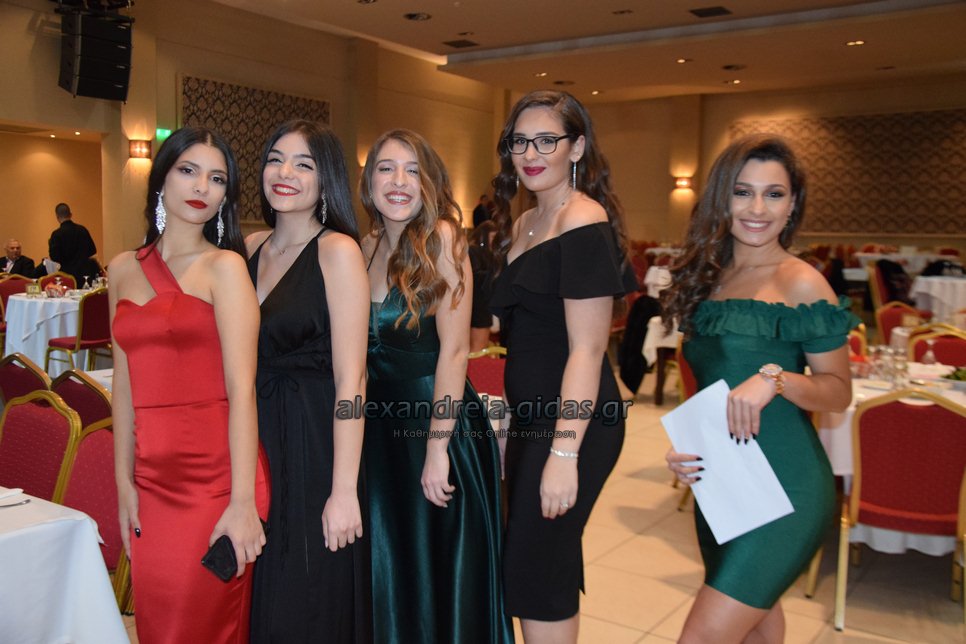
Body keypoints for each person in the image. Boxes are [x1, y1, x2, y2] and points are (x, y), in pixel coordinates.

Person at [662, 134, 855, 644]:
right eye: (743, 192)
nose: (757, 209)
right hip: (723, 481)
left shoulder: (801, 282)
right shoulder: (710, 279)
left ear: (793, 205)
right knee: (757, 632)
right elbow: (711, 385)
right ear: (721, 198)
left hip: (788, 487)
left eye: (774, 194)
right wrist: (687, 448)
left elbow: (838, 391)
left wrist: (776, 379)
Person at [108, 126, 271, 644]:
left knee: (199, 627)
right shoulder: (121, 269)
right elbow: (124, 387)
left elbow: (243, 392)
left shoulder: (225, 268)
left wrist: (242, 503)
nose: (202, 186)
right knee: (158, 628)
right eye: (188, 171)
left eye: (217, 178)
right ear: (161, 178)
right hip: (151, 484)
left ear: (226, 196)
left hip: (216, 482)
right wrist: (123, 481)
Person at [488, 90, 637, 643]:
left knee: (539, 568)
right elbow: (525, 340)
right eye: (520, 141)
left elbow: (586, 350)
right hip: (534, 420)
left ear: (576, 148)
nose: (531, 153)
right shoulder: (526, 221)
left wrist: (564, 451)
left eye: (547, 140)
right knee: (539, 558)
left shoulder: (582, 218)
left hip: (576, 422)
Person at [360, 128, 512, 644]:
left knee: (440, 570)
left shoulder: (443, 238)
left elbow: (454, 351)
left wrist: (437, 448)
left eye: (412, 171)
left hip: (437, 425)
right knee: (393, 562)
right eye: (386, 169)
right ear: (369, 181)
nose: (398, 182)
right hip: (379, 430)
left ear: (429, 183)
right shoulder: (365, 247)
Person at [245, 119, 371, 643]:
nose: (285, 173)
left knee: (308, 591)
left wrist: (343, 489)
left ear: (326, 180)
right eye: (276, 159)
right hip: (255, 432)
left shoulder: (337, 251)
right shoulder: (248, 247)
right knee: (260, 583)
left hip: (316, 438)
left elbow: (353, 379)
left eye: (304, 164)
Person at [48, 202, 101, 282]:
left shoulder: (56, 234)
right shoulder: (82, 230)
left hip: (67, 277)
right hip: (85, 276)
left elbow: (54, 257)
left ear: (57, 217)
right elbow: (92, 251)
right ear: (70, 215)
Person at [468, 220, 499, 352]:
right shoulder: (475, 251)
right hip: (479, 306)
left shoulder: (479, 252)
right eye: (492, 237)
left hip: (477, 305)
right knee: (478, 350)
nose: (494, 241)